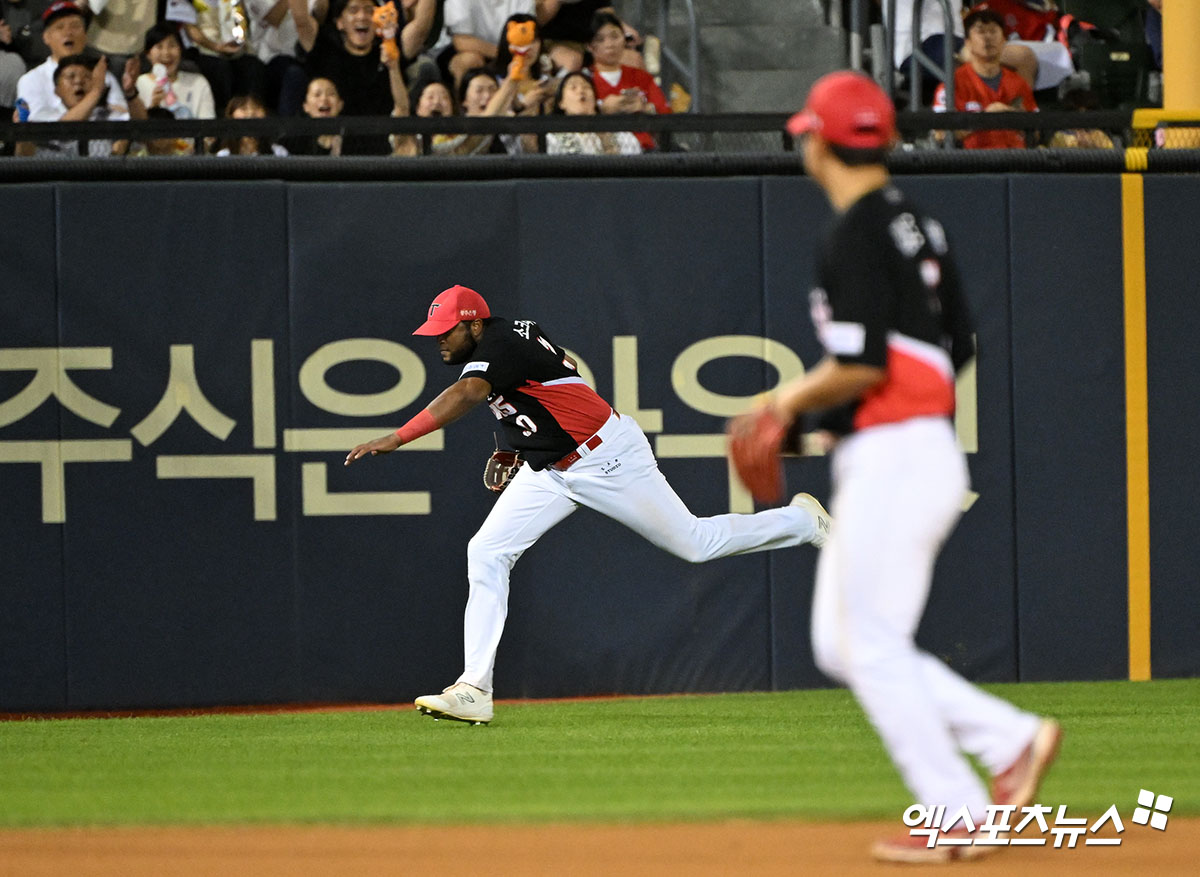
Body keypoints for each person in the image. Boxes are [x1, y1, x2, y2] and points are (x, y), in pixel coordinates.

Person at [729, 70, 1061, 863]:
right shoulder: (919, 223)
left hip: (898, 454)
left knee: (866, 641)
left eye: (805, 132)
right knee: (846, 643)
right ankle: (1008, 737)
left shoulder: (853, 232)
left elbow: (866, 362)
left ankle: (961, 810)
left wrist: (779, 403)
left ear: (819, 140)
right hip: (914, 446)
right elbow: (951, 346)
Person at [344, 284, 832, 725]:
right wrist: (516, 445)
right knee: (487, 551)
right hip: (551, 469)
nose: (439, 341)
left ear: (474, 324)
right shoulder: (502, 342)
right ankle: (474, 688)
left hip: (606, 457)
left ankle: (801, 520)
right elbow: (543, 391)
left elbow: (469, 392)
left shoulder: (501, 343)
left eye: (447, 331)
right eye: (435, 334)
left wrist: (399, 436)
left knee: (696, 544)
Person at [290, 0, 411, 154]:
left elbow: (402, 108)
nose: (362, 16)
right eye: (353, 10)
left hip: (378, 151)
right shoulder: (326, 49)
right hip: (332, 153)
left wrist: (393, 67)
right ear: (340, 22)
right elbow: (301, 20)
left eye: (369, 11)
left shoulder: (387, 54)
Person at [16, 2, 143, 122]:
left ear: (85, 35)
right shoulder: (32, 80)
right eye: (60, 27)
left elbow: (122, 119)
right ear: (46, 37)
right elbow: (41, 128)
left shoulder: (103, 75)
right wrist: (96, 94)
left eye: (75, 26)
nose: (68, 32)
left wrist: (130, 93)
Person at [933, 7, 1037, 149]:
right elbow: (940, 134)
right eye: (980, 31)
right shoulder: (952, 84)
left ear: (1004, 41)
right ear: (968, 43)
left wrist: (1015, 117)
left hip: (1016, 162)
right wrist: (986, 118)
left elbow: (1036, 132)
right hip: (972, 164)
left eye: (993, 31)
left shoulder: (1018, 83)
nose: (987, 37)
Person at [586, 10, 667, 151]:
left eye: (615, 36)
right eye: (600, 39)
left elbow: (666, 114)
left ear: (624, 38)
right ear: (589, 46)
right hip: (603, 153)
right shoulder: (584, 80)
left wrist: (644, 108)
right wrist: (601, 110)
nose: (610, 44)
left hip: (645, 152)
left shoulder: (641, 77)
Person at [22, 51, 129, 155]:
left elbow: (136, 127)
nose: (79, 81)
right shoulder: (43, 115)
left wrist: (131, 92)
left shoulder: (108, 115)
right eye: (70, 76)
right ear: (57, 90)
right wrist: (96, 91)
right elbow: (63, 130)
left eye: (87, 77)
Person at [545, 69, 639, 154]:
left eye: (586, 87)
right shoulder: (552, 139)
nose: (581, 90)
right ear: (561, 103)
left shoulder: (621, 136)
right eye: (573, 87)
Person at [135, 23, 216, 121]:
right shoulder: (140, 84)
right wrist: (153, 107)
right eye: (159, 47)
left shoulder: (198, 83)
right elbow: (135, 130)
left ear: (181, 50)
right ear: (148, 54)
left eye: (172, 45)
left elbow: (209, 129)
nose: (166, 53)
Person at [280, 74, 344, 154]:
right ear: (306, 107)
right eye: (317, 94)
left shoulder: (355, 138)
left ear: (340, 104)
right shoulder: (293, 142)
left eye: (331, 94)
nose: (324, 99)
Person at [213, 91, 288, 154]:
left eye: (256, 107)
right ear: (231, 115)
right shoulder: (224, 155)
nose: (250, 112)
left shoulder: (278, 152)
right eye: (243, 108)